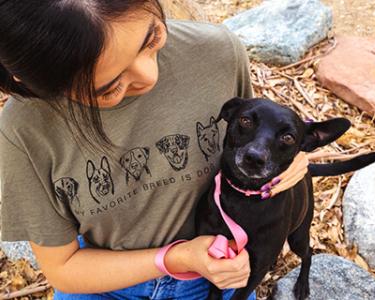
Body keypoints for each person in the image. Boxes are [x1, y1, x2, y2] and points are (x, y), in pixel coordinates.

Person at [0, 0, 256, 299]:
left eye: (153, 38)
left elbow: (252, 157)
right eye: (110, 88)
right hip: (103, 284)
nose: (150, 76)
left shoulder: (217, 53)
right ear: (39, 84)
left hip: (216, 276)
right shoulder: (23, 132)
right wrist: (175, 258)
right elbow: (63, 267)